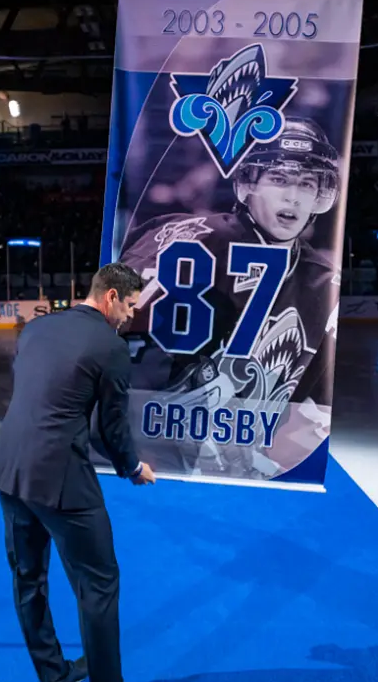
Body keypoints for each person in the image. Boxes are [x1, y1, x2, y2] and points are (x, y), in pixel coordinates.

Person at [0, 263, 173, 682]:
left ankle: (52, 677)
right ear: (110, 296)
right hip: (61, 477)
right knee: (100, 585)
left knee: (29, 576)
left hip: (9, 466)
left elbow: (36, 392)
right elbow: (111, 429)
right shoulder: (110, 347)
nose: (130, 315)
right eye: (129, 305)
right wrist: (133, 467)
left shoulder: (39, 326)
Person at [120, 117, 341, 477]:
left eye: (306, 183)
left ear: (320, 194)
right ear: (248, 183)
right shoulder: (188, 238)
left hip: (229, 460)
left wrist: (262, 463)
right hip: (149, 445)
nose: (292, 195)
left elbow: (314, 405)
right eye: (279, 178)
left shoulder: (322, 282)